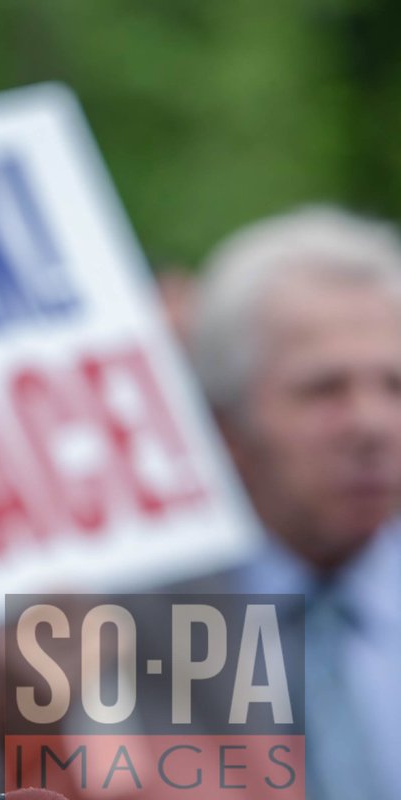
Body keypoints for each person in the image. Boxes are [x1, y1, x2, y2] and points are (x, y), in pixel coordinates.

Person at [183, 204, 401, 800]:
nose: (371, 424)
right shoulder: (124, 625)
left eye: (394, 385)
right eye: (322, 389)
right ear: (227, 422)